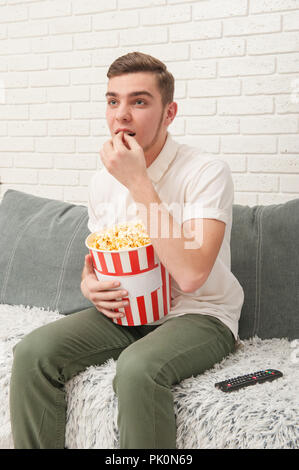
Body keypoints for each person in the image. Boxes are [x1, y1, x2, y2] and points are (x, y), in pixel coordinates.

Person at [9, 52, 244, 449]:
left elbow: (191, 275)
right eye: (112, 101)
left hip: (201, 313)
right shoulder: (102, 182)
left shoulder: (207, 172)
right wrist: (89, 285)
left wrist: (139, 183)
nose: (121, 114)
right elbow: (107, 258)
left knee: (137, 369)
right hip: (128, 311)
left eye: (139, 101)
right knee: (32, 353)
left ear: (169, 113)